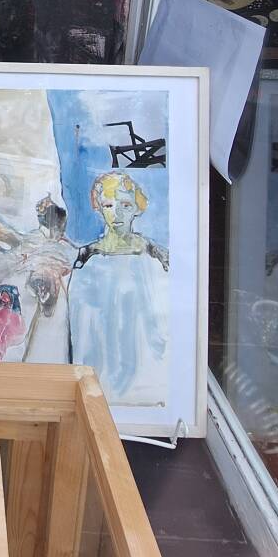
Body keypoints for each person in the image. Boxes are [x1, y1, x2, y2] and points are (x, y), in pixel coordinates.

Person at [68, 172, 168, 403]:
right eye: (109, 205)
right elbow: (80, 326)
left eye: (125, 205)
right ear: (99, 208)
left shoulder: (155, 256)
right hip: (98, 367)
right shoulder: (87, 257)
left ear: (137, 208)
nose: (117, 213)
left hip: (145, 370)